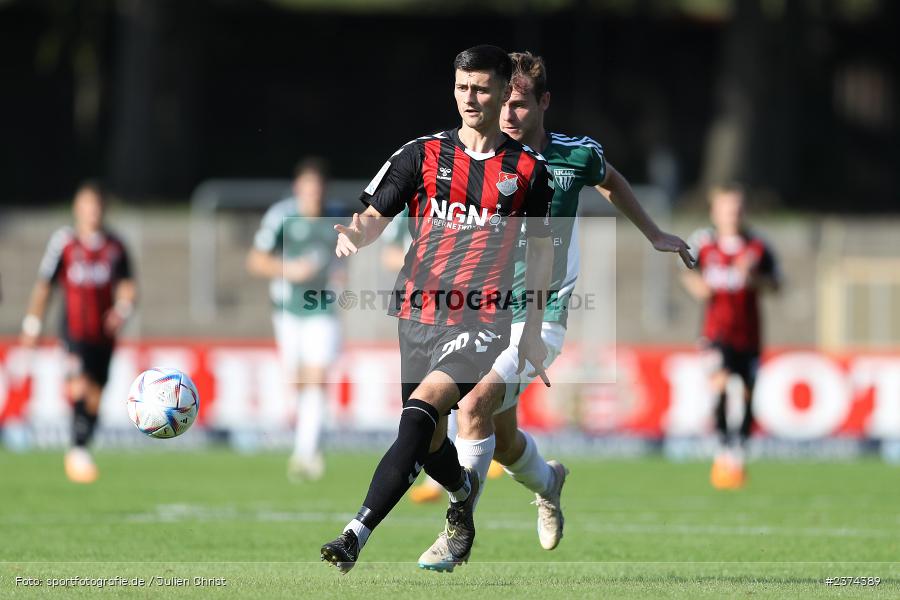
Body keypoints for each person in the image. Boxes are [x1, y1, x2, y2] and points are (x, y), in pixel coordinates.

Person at [415, 51, 693, 570]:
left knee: (473, 408)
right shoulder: (480, 158)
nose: (507, 116)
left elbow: (610, 179)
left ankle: (456, 534)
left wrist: (654, 233)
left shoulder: (572, 156)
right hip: (482, 312)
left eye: (519, 105)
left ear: (544, 103)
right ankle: (549, 481)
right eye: (503, 104)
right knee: (501, 440)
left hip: (541, 314)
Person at [320, 44, 555, 574]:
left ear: (502, 93)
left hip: (482, 321)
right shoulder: (421, 154)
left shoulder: (529, 170)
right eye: (461, 88)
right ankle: (462, 492)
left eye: (481, 89)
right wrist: (357, 234)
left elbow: (540, 252)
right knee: (426, 442)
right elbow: (375, 213)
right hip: (417, 315)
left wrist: (533, 329)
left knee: (419, 413)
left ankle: (355, 533)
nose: (469, 99)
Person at [20, 180, 137, 483]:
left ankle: (82, 447)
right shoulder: (64, 243)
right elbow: (45, 285)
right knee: (80, 386)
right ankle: (77, 452)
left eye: (96, 205)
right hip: (73, 331)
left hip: (104, 334)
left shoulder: (115, 246)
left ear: (103, 209)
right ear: (77, 208)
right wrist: (33, 324)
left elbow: (127, 285)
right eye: (86, 205)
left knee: (97, 394)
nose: (92, 211)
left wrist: (122, 311)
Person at [246, 158, 341, 481]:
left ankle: (306, 452)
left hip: (323, 309)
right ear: (298, 188)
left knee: (317, 376)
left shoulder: (336, 216)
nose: (314, 194)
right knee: (298, 380)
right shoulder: (281, 216)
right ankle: (306, 443)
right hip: (288, 311)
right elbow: (256, 260)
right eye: (308, 188)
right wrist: (289, 270)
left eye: (319, 188)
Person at [682, 183, 780, 490]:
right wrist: (697, 285)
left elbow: (776, 285)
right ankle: (724, 448)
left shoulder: (758, 247)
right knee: (721, 384)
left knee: (749, 393)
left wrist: (754, 279)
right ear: (715, 211)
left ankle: (739, 450)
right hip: (715, 332)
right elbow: (687, 271)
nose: (732, 214)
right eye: (726, 208)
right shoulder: (703, 243)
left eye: (737, 208)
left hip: (749, 334)